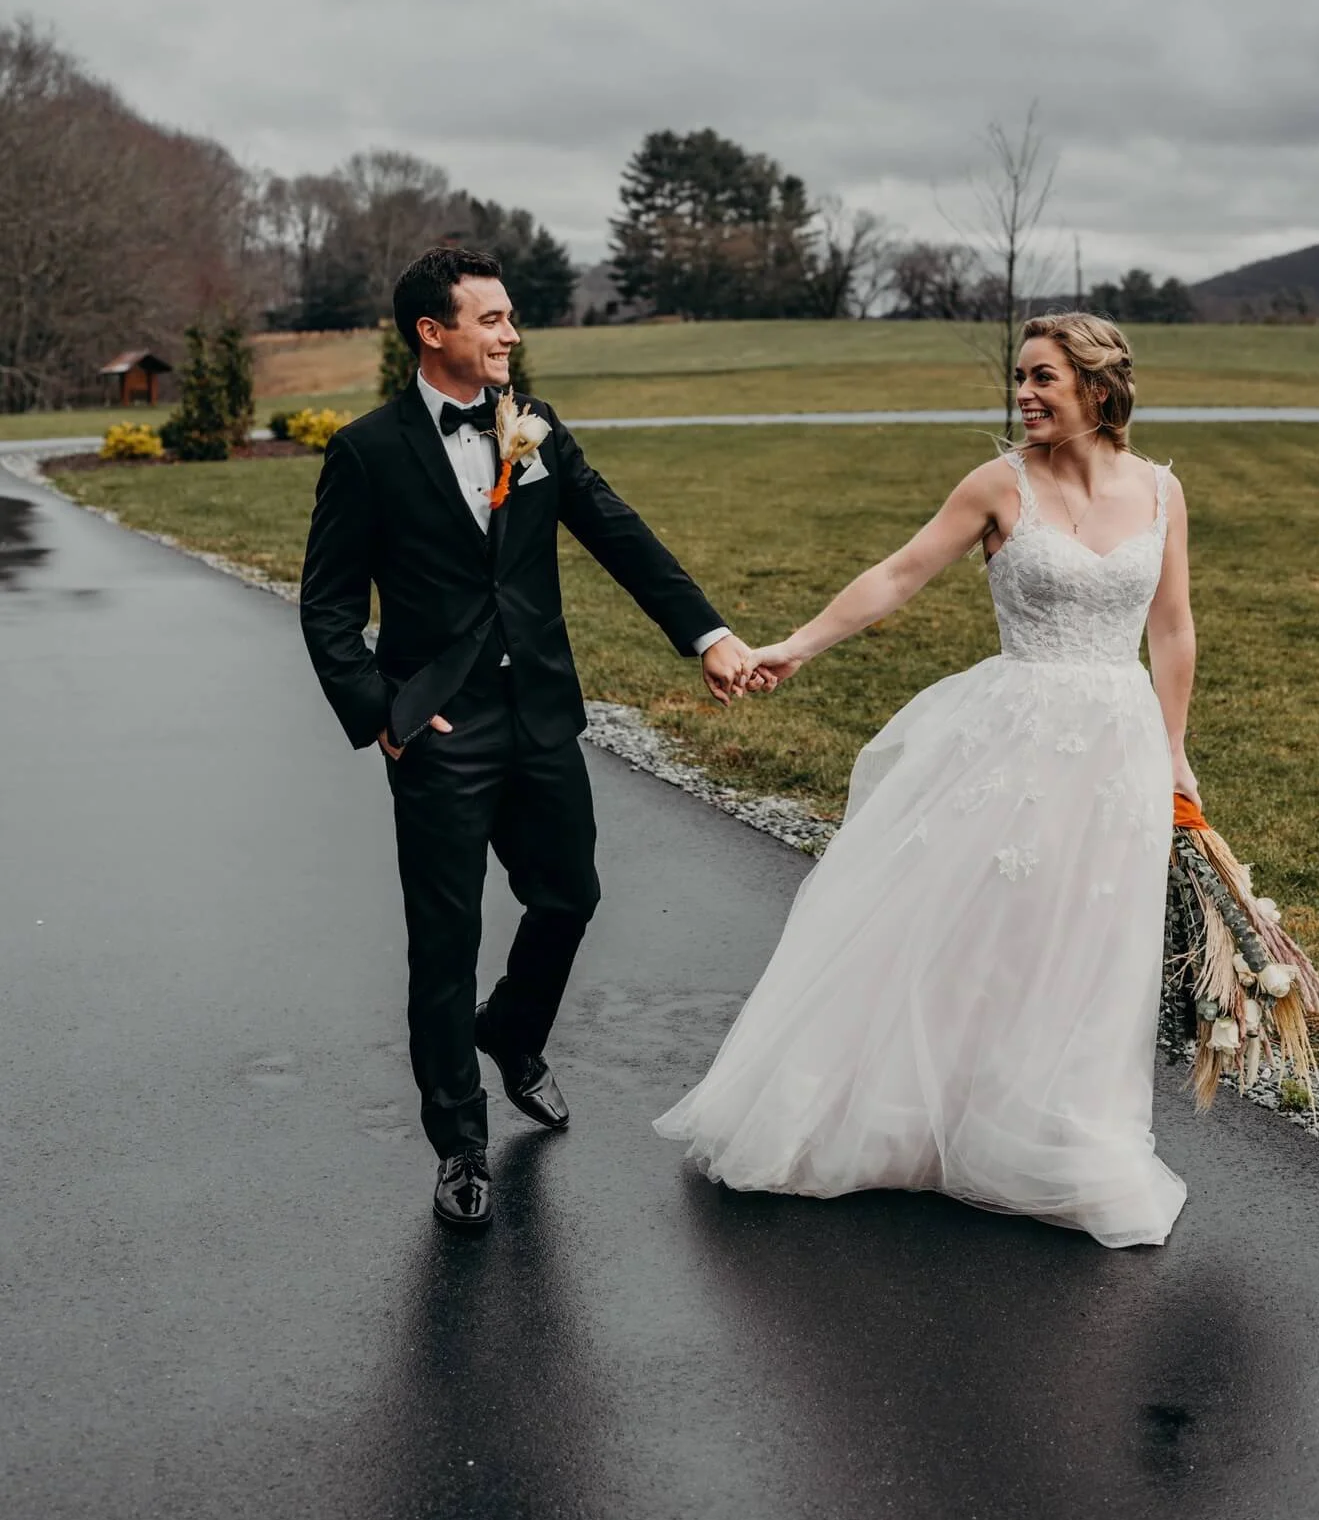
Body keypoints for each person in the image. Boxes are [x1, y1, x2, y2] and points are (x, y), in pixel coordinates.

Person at [654, 313, 1195, 1248]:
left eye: (1042, 377)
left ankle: (1062, 1134)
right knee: (981, 930)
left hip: (1120, 750)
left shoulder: (1161, 490)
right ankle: (917, 1115)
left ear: (1098, 386)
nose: (1023, 394)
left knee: (1092, 943)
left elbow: (1173, 626)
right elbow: (898, 574)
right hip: (1014, 739)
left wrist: (1175, 750)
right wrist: (795, 647)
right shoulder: (998, 484)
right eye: (1019, 377)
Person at [300, 246, 755, 1230]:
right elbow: (328, 605)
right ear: (433, 331)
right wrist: (382, 712)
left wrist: (706, 634)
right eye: (492, 318)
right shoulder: (367, 451)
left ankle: (511, 1029)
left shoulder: (535, 425)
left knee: (570, 894)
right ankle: (460, 1143)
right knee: (445, 941)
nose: (511, 332)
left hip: (541, 711)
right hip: (439, 728)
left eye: (510, 316)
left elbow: (617, 530)